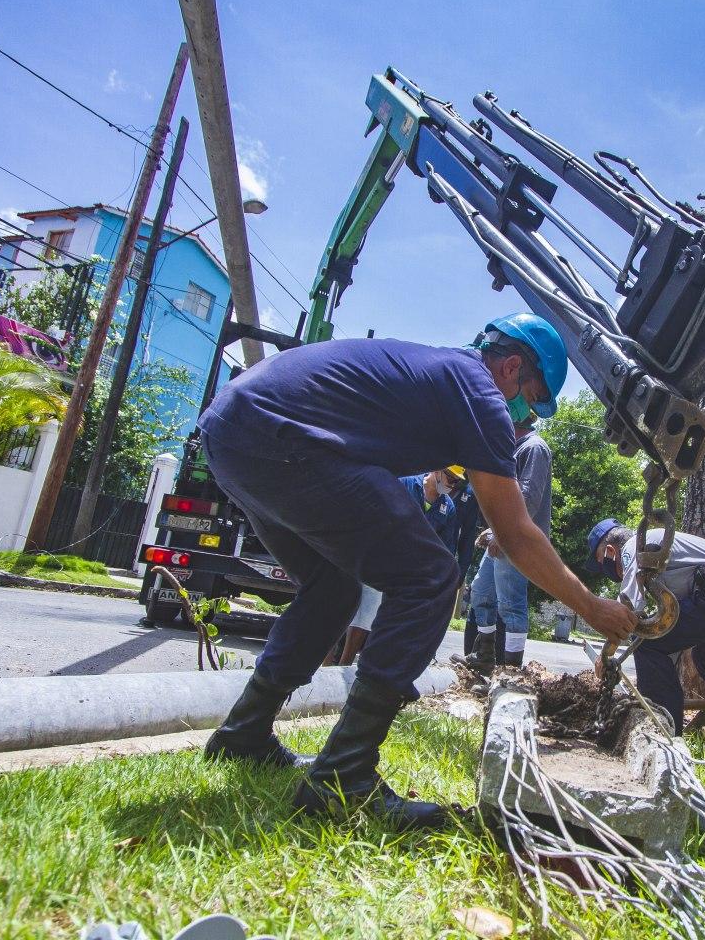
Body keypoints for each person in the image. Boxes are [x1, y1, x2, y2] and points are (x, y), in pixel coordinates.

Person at [197, 313, 637, 831]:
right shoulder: (482, 395)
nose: (529, 421)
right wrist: (592, 607)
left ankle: (243, 735)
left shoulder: (442, 376)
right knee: (430, 579)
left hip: (232, 431)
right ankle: (343, 776)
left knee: (333, 588)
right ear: (512, 367)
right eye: (534, 401)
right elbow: (515, 532)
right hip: (284, 436)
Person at [586, 519, 705, 753]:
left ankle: (665, 738)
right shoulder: (656, 540)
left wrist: (606, 654)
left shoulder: (634, 546)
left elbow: (628, 610)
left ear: (611, 551)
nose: (609, 573)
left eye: (603, 564)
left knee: (649, 645)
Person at [334, 466, 476, 667]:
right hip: (379, 558)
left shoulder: (448, 507)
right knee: (356, 606)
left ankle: (361, 664)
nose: (452, 485)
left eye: (456, 481)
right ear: (437, 470)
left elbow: (446, 548)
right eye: (450, 478)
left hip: (412, 573)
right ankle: (334, 663)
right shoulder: (406, 484)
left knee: (384, 617)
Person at [458, 411, 552, 669]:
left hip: (518, 541)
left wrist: (500, 533)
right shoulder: (517, 449)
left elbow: (527, 499)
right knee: (481, 591)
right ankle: (485, 657)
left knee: (511, 605)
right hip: (503, 537)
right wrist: (493, 532)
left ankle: (511, 671)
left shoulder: (534, 448)